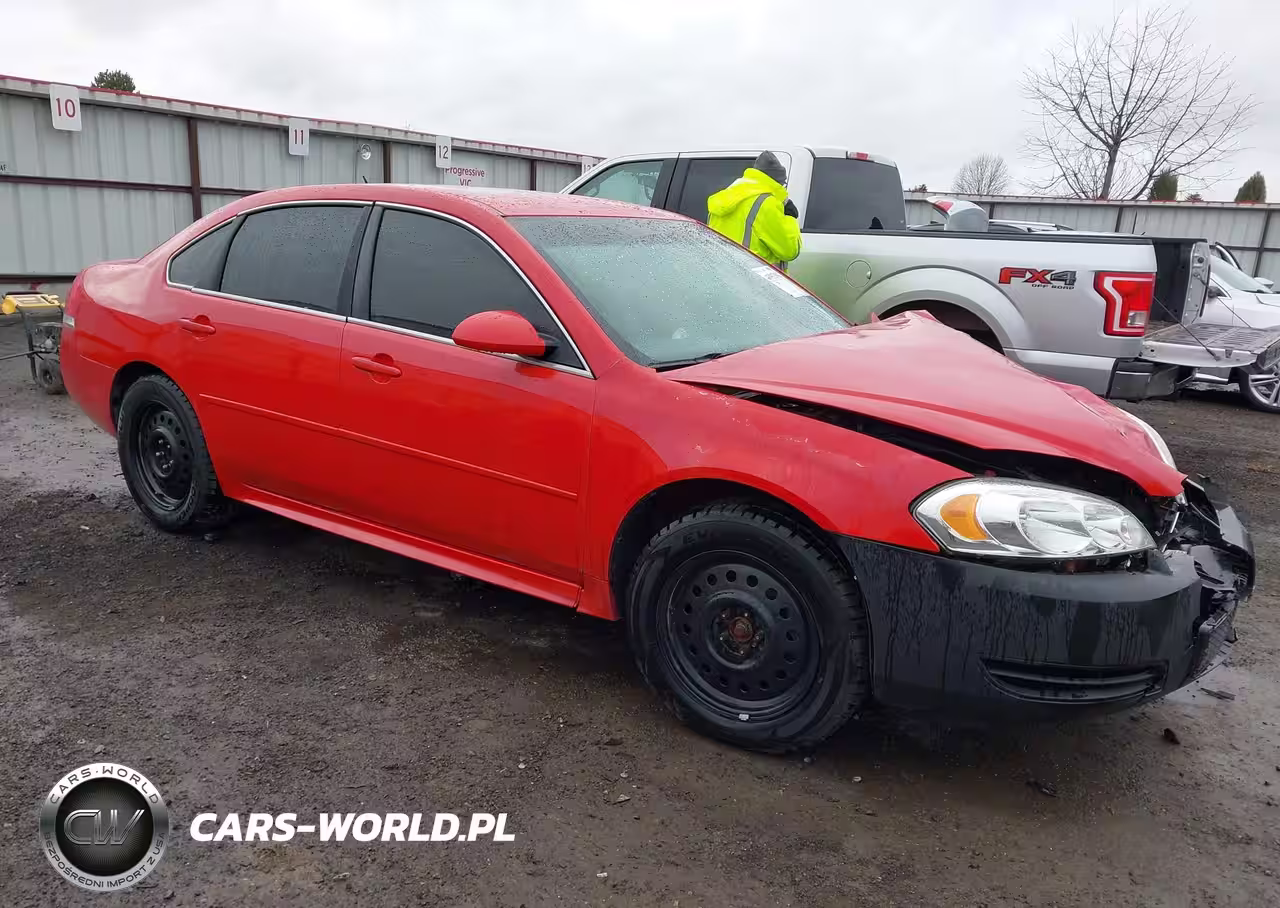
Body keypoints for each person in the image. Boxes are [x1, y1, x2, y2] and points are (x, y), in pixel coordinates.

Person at [707, 151, 802, 269]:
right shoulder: (766, 204)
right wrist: (790, 218)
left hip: (721, 274)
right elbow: (790, 251)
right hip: (753, 278)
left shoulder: (724, 197)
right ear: (777, 182)